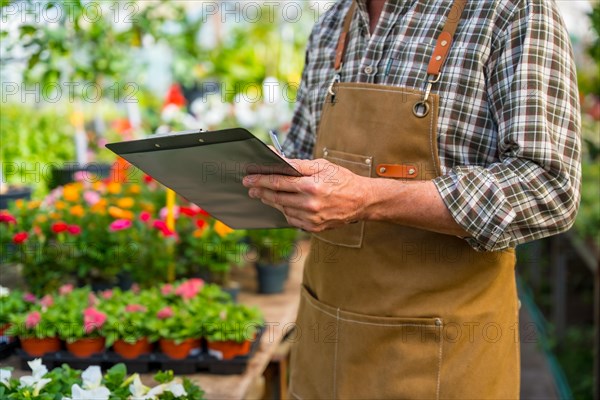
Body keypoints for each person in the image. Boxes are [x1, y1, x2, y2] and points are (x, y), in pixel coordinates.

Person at [243, 0, 581, 398]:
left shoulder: (511, 11)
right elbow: (303, 151)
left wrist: (371, 198)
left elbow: (548, 187)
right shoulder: (335, 22)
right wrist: (256, 171)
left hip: (443, 359)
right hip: (326, 347)